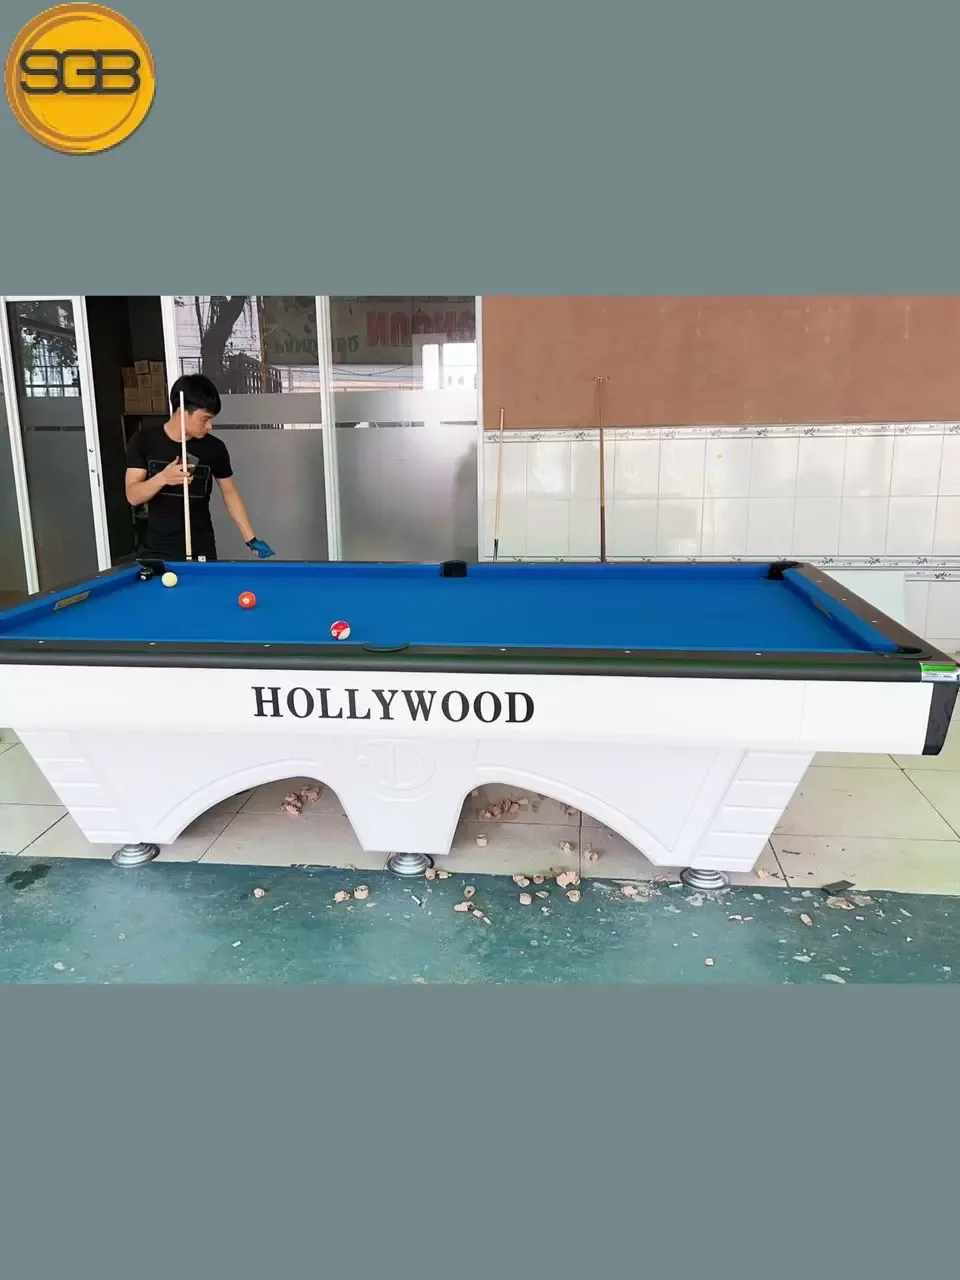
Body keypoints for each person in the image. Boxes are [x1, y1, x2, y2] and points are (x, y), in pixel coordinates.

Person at [124, 373, 275, 562]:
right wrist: (163, 478)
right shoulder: (144, 441)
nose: (209, 426)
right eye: (204, 419)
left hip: (202, 548)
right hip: (158, 551)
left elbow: (230, 494)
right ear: (181, 412)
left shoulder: (214, 448)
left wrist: (250, 539)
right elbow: (133, 496)